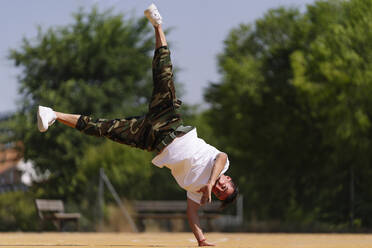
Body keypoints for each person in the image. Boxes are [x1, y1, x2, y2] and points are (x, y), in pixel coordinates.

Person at [37, 3, 238, 247]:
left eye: (218, 193)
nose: (217, 188)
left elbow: (192, 214)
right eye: (223, 187)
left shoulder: (198, 192)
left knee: (104, 128)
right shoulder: (221, 165)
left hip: (150, 140)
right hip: (169, 123)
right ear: (228, 179)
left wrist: (201, 240)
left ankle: (53, 114)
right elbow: (221, 157)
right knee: (163, 73)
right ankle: (158, 24)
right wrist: (210, 182)